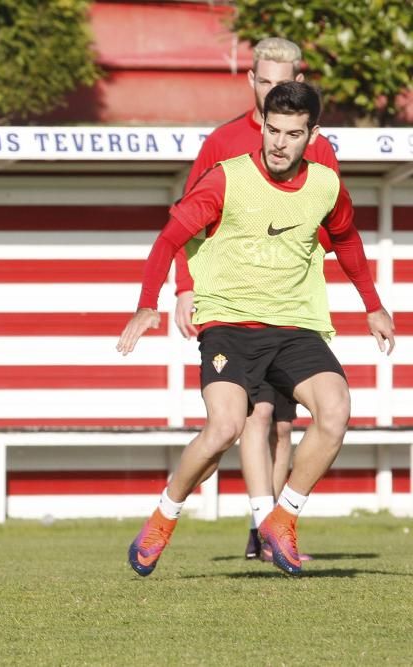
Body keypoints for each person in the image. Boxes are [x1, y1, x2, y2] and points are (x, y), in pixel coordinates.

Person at [118, 81, 395, 576]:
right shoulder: (227, 179)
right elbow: (170, 238)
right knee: (224, 426)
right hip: (229, 323)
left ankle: (282, 519)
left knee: (335, 411)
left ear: (313, 135)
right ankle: (164, 516)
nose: (279, 143)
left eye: (292, 133)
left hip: (295, 327)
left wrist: (373, 306)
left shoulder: (326, 185)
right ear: (262, 126)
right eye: (272, 130)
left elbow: (347, 240)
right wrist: (148, 303)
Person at [173, 37, 344, 561]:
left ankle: (275, 528)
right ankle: (258, 527)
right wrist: (183, 287)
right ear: (251, 80)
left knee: (290, 423)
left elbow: (330, 221)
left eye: (283, 81)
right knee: (255, 417)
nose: (273, 90)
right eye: (264, 80)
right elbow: (183, 220)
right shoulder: (221, 143)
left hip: (291, 308)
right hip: (233, 307)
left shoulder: (317, 147)